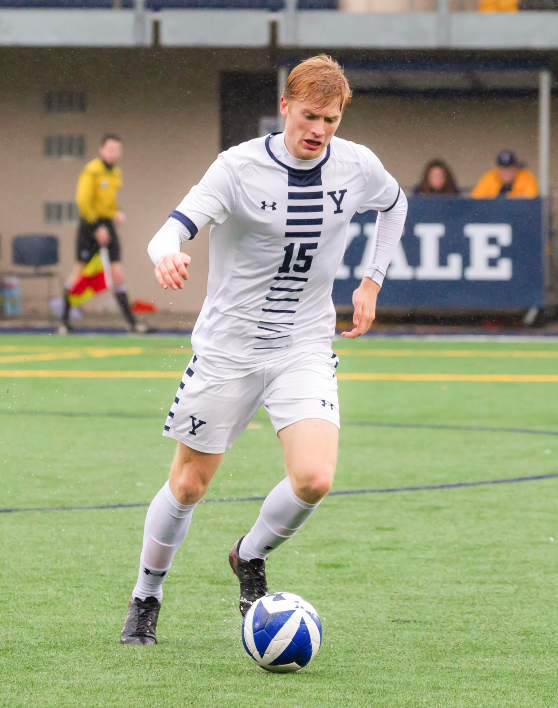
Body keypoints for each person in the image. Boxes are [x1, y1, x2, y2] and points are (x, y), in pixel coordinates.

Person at [120, 55, 408, 645]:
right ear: (285, 107)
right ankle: (146, 595)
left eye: (330, 119)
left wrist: (372, 279)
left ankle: (248, 555)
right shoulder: (238, 168)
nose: (319, 130)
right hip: (228, 346)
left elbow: (395, 205)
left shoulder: (357, 165)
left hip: (303, 343)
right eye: (309, 115)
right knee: (189, 485)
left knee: (314, 478)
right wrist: (167, 253)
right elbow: (170, 228)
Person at [59, 134, 146, 334]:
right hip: (90, 226)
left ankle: (132, 323)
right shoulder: (91, 171)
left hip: (108, 224)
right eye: (110, 149)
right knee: (78, 272)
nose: (114, 154)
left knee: (117, 274)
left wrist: (117, 213)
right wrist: (97, 226)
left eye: (117, 150)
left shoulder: (116, 173)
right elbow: (83, 201)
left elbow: (112, 201)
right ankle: (64, 321)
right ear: (101, 150)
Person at [471, 150, 538, 199]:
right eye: (503, 168)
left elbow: (531, 198)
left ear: (516, 168)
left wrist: (507, 198)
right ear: (497, 168)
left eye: (510, 167)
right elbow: (476, 199)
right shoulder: (491, 177)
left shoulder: (526, 177)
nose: (506, 171)